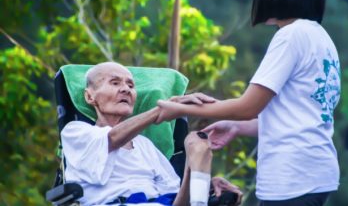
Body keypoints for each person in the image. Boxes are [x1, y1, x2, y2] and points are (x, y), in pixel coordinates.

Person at [156, 0, 341, 205]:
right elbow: (296, 118)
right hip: (316, 171)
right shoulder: (321, 39)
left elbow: (248, 106)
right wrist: (236, 127)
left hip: (292, 177)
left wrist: (178, 109)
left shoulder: (291, 36)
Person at [61, 62, 242, 206]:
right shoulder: (76, 131)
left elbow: (177, 201)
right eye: (115, 83)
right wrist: (163, 108)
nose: (126, 89)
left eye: (130, 85)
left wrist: (202, 183)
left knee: (195, 142)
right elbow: (112, 139)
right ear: (89, 97)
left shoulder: (145, 145)